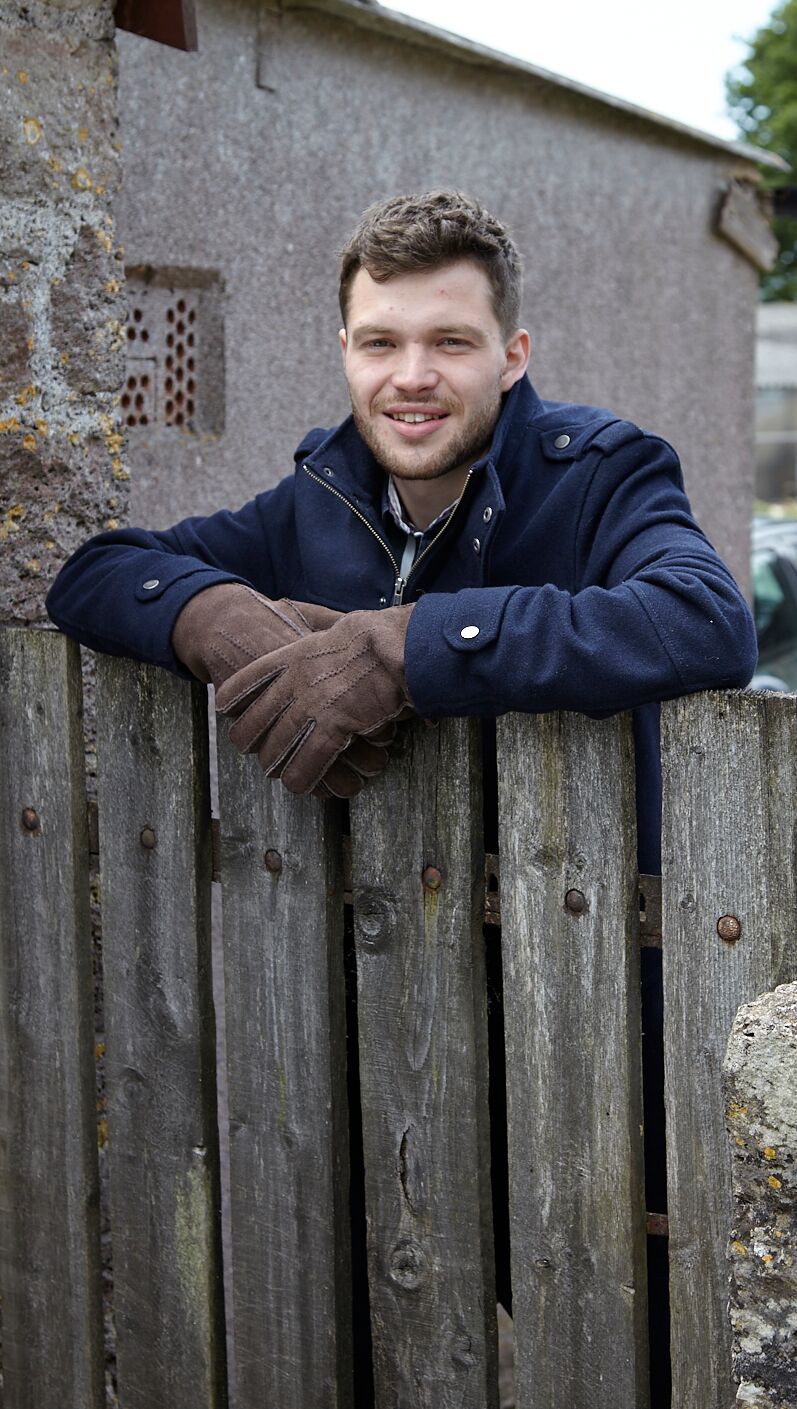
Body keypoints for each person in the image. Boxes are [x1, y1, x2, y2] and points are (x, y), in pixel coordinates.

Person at [46, 190, 757, 1401]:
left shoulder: (600, 473)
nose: (410, 377)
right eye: (379, 342)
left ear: (511, 353)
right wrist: (215, 616)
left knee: (624, 1337)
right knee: (379, 1327)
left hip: (585, 1017)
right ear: (342, 350)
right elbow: (95, 570)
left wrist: (406, 648)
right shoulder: (311, 501)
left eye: (449, 342)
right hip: (371, 1011)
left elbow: (702, 618)